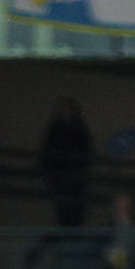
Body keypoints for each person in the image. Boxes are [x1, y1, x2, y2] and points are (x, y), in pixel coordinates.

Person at [39, 97, 92, 229]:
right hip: (59, 175)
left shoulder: (80, 128)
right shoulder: (55, 127)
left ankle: (74, 228)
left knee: (75, 205)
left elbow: (86, 150)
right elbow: (47, 150)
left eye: (68, 108)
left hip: (75, 175)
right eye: (63, 108)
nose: (65, 111)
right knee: (62, 206)